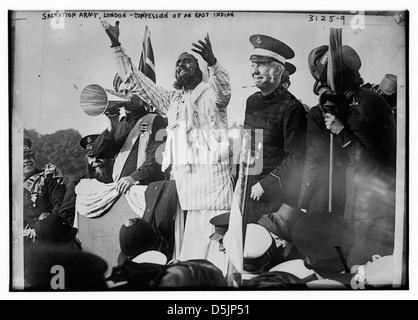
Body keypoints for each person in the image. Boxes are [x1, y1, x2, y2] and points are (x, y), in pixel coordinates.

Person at [100, 21, 233, 272]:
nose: (181, 65)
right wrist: (116, 45)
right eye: (178, 63)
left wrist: (213, 62)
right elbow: (138, 81)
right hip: (186, 188)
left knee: (217, 248)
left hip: (214, 186)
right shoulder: (172, 100)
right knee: (191, 249)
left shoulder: (210, 92)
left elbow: (224, 92)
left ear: (200, 70)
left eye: (188, 61)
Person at [301, 44, 397, 267]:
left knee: (361, 272)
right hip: (372, 206)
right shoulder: (370, 100)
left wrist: (341, 132)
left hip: (369, 212)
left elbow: (372, 165)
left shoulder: (360, 108)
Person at [243, 34, 307, 226]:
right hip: (247, 188)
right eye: (253, 64)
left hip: (274, 196)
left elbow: (296, 157)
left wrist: (265, 184)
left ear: (278, 69)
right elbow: (249, 144)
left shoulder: (292, 107)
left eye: (261, 64)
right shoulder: (252, 101)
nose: (254, 71)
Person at [58, 134, 113, 226]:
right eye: (91, 157)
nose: (95, 160)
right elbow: (65, 216)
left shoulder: (118, 180)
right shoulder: (77, 186)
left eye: (100, 155)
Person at [23, 138, 66, 246]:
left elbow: (60, 204)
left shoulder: (48, 176)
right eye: (21, 158)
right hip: (29, 239)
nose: (26, 160)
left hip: (54, 234)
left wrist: (44, 227)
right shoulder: (12, 188)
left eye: (28, 156)